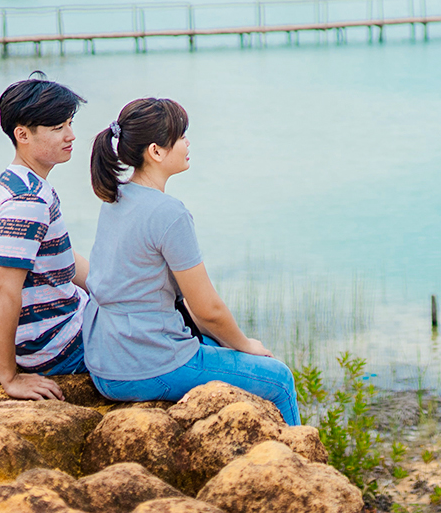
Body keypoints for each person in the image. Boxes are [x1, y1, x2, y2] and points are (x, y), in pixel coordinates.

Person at [83, 97, 300, 425]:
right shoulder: (169, 214)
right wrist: (245, 344)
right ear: (156, 151)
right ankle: (296, 469)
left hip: (104, 362)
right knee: (279, 379)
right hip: (146, 365)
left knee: (215, 340)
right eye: (181, 136)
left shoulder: (115, 199)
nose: (187, 143)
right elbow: (206, 309)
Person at [0, 72, 93, 400]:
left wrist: (113, 286)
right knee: (171, 332)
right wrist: (10, 377)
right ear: (22, 134)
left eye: (69, 123)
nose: (70, 135)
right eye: (58, 128)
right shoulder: (26, 202)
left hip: (66, 321)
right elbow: (1, 291)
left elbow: (63, 262)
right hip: (57, 344)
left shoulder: (21, 182)